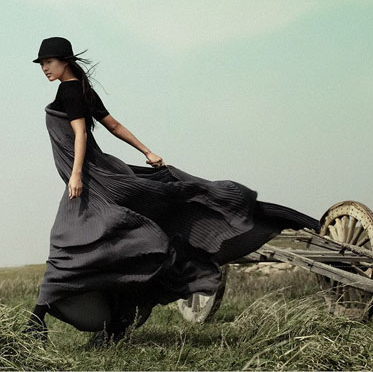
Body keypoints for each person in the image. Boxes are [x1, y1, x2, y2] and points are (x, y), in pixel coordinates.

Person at [23, 37, 320, 344]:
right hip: (94, 177)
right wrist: (147, 152)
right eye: (42, 64)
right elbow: (114, 125)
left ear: (65, 61)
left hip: (91, 181)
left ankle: (36, 321)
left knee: (67, 245)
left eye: (48, 62)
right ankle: (93, 320)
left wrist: (75, 176)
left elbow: (81, 133)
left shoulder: (71, 91)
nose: (44, 68)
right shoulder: (78, 89)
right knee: (85, 245)